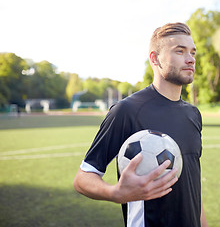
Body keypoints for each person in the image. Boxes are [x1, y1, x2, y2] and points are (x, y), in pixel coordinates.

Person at [73, 22, 208, 227]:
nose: (190, 59)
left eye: (192, 52)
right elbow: (83, 179)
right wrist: (116, 193)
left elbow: (191, 184)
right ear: (155, 58)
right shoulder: (127, 111)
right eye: (179, 51)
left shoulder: (193, 114)